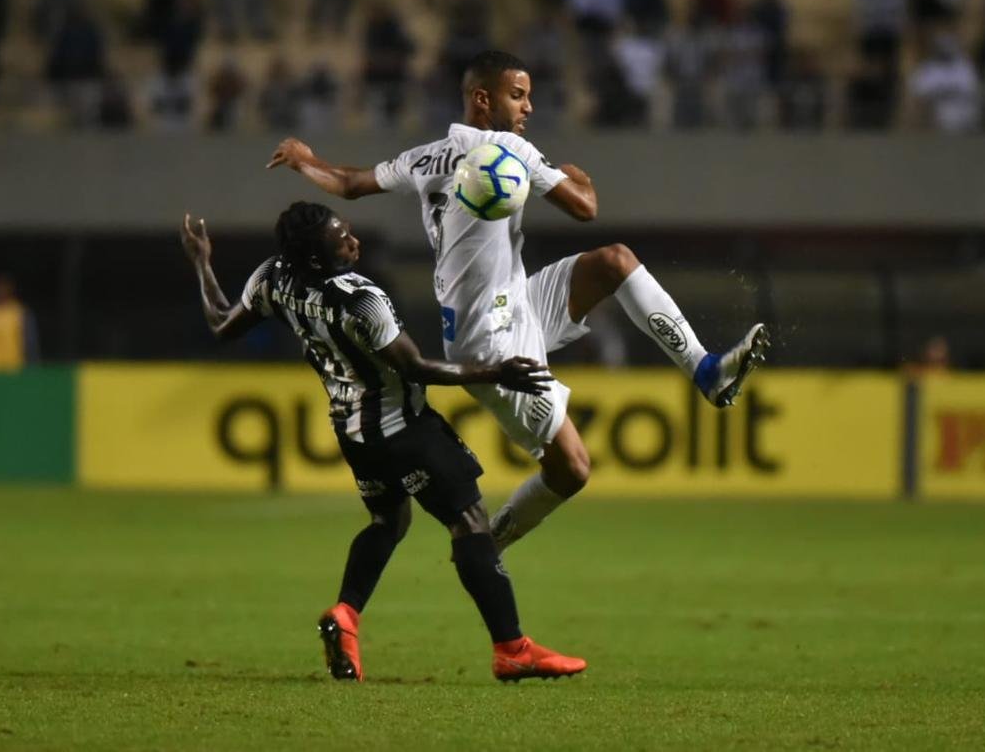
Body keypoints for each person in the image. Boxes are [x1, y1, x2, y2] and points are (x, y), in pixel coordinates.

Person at [266, 49, 769, 552]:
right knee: (572, 469)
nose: (528, 107)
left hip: (511, 302)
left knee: (615, 262)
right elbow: (586, 207)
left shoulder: (427, 156)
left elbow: (351, 184)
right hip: (491, 343)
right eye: (518, 95)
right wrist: (583, 180)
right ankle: (493, 539)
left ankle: (707, 372)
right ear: (483, 99)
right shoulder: (510, 151)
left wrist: (306, 162)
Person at [179, 201, 587, 683]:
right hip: (405, 429)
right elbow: (415, 368)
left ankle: (346, 615)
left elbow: (222, 324)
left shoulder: (273, 277)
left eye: (348, 231)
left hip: (354, 433)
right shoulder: (361, 299)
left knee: (388, 521)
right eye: (341, 240)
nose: (353, 242)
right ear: (315, 258)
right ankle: (512, 648)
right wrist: (498, 371)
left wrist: (203, 263)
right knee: (469, 522)